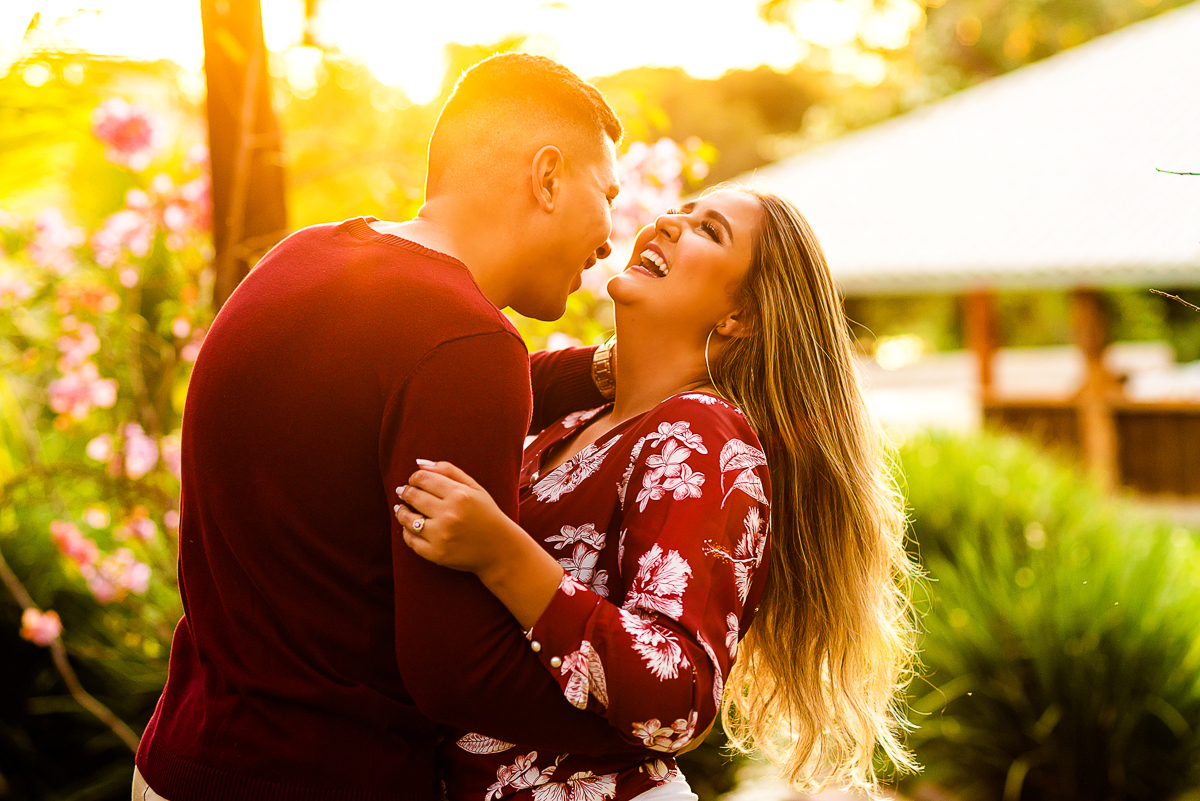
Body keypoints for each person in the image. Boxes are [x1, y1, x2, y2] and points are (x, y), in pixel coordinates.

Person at [134, 54, 654, 801]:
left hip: (184, 758)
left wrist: (603, 370)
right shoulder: (464, 345)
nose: (609, 241)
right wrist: (644, 725)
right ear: (546, 178)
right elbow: (459, 671)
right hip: (320, 781)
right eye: (606, 194)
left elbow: (404, 394)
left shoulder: (309, 256)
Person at [395, 189, 921, 799]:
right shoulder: (577, 425)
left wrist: (501, 554)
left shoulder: (701, 433)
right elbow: (472, 376)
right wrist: (612, 368)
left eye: (709, 230)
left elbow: (678, 693)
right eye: (681, 210)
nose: (668, 222)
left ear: (741, 317)